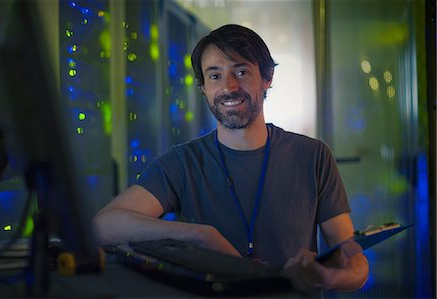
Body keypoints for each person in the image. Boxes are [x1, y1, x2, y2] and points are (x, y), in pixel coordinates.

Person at [93, 24, 369, 295]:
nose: (229, 86)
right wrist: (196, 235)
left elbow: (355, 263)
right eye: (214, 76)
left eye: (241, 71)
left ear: (267, 77)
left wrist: (326, 276)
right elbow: (102, 227)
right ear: (203, 87)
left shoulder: (313, 155)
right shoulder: (182, 162)